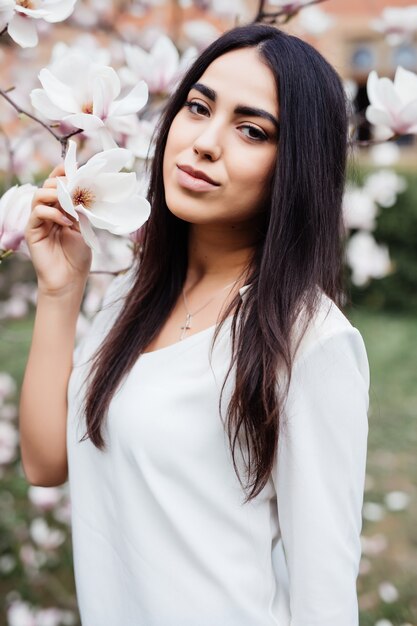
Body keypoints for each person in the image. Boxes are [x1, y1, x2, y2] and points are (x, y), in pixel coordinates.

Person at [19, 23, 370, 626]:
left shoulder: (310, 341)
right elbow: (47, 462)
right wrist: (60, 291)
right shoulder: (135, 294)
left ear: (297, 166)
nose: (205, 142)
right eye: (199, 107)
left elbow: (325, 597)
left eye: (252, 130)